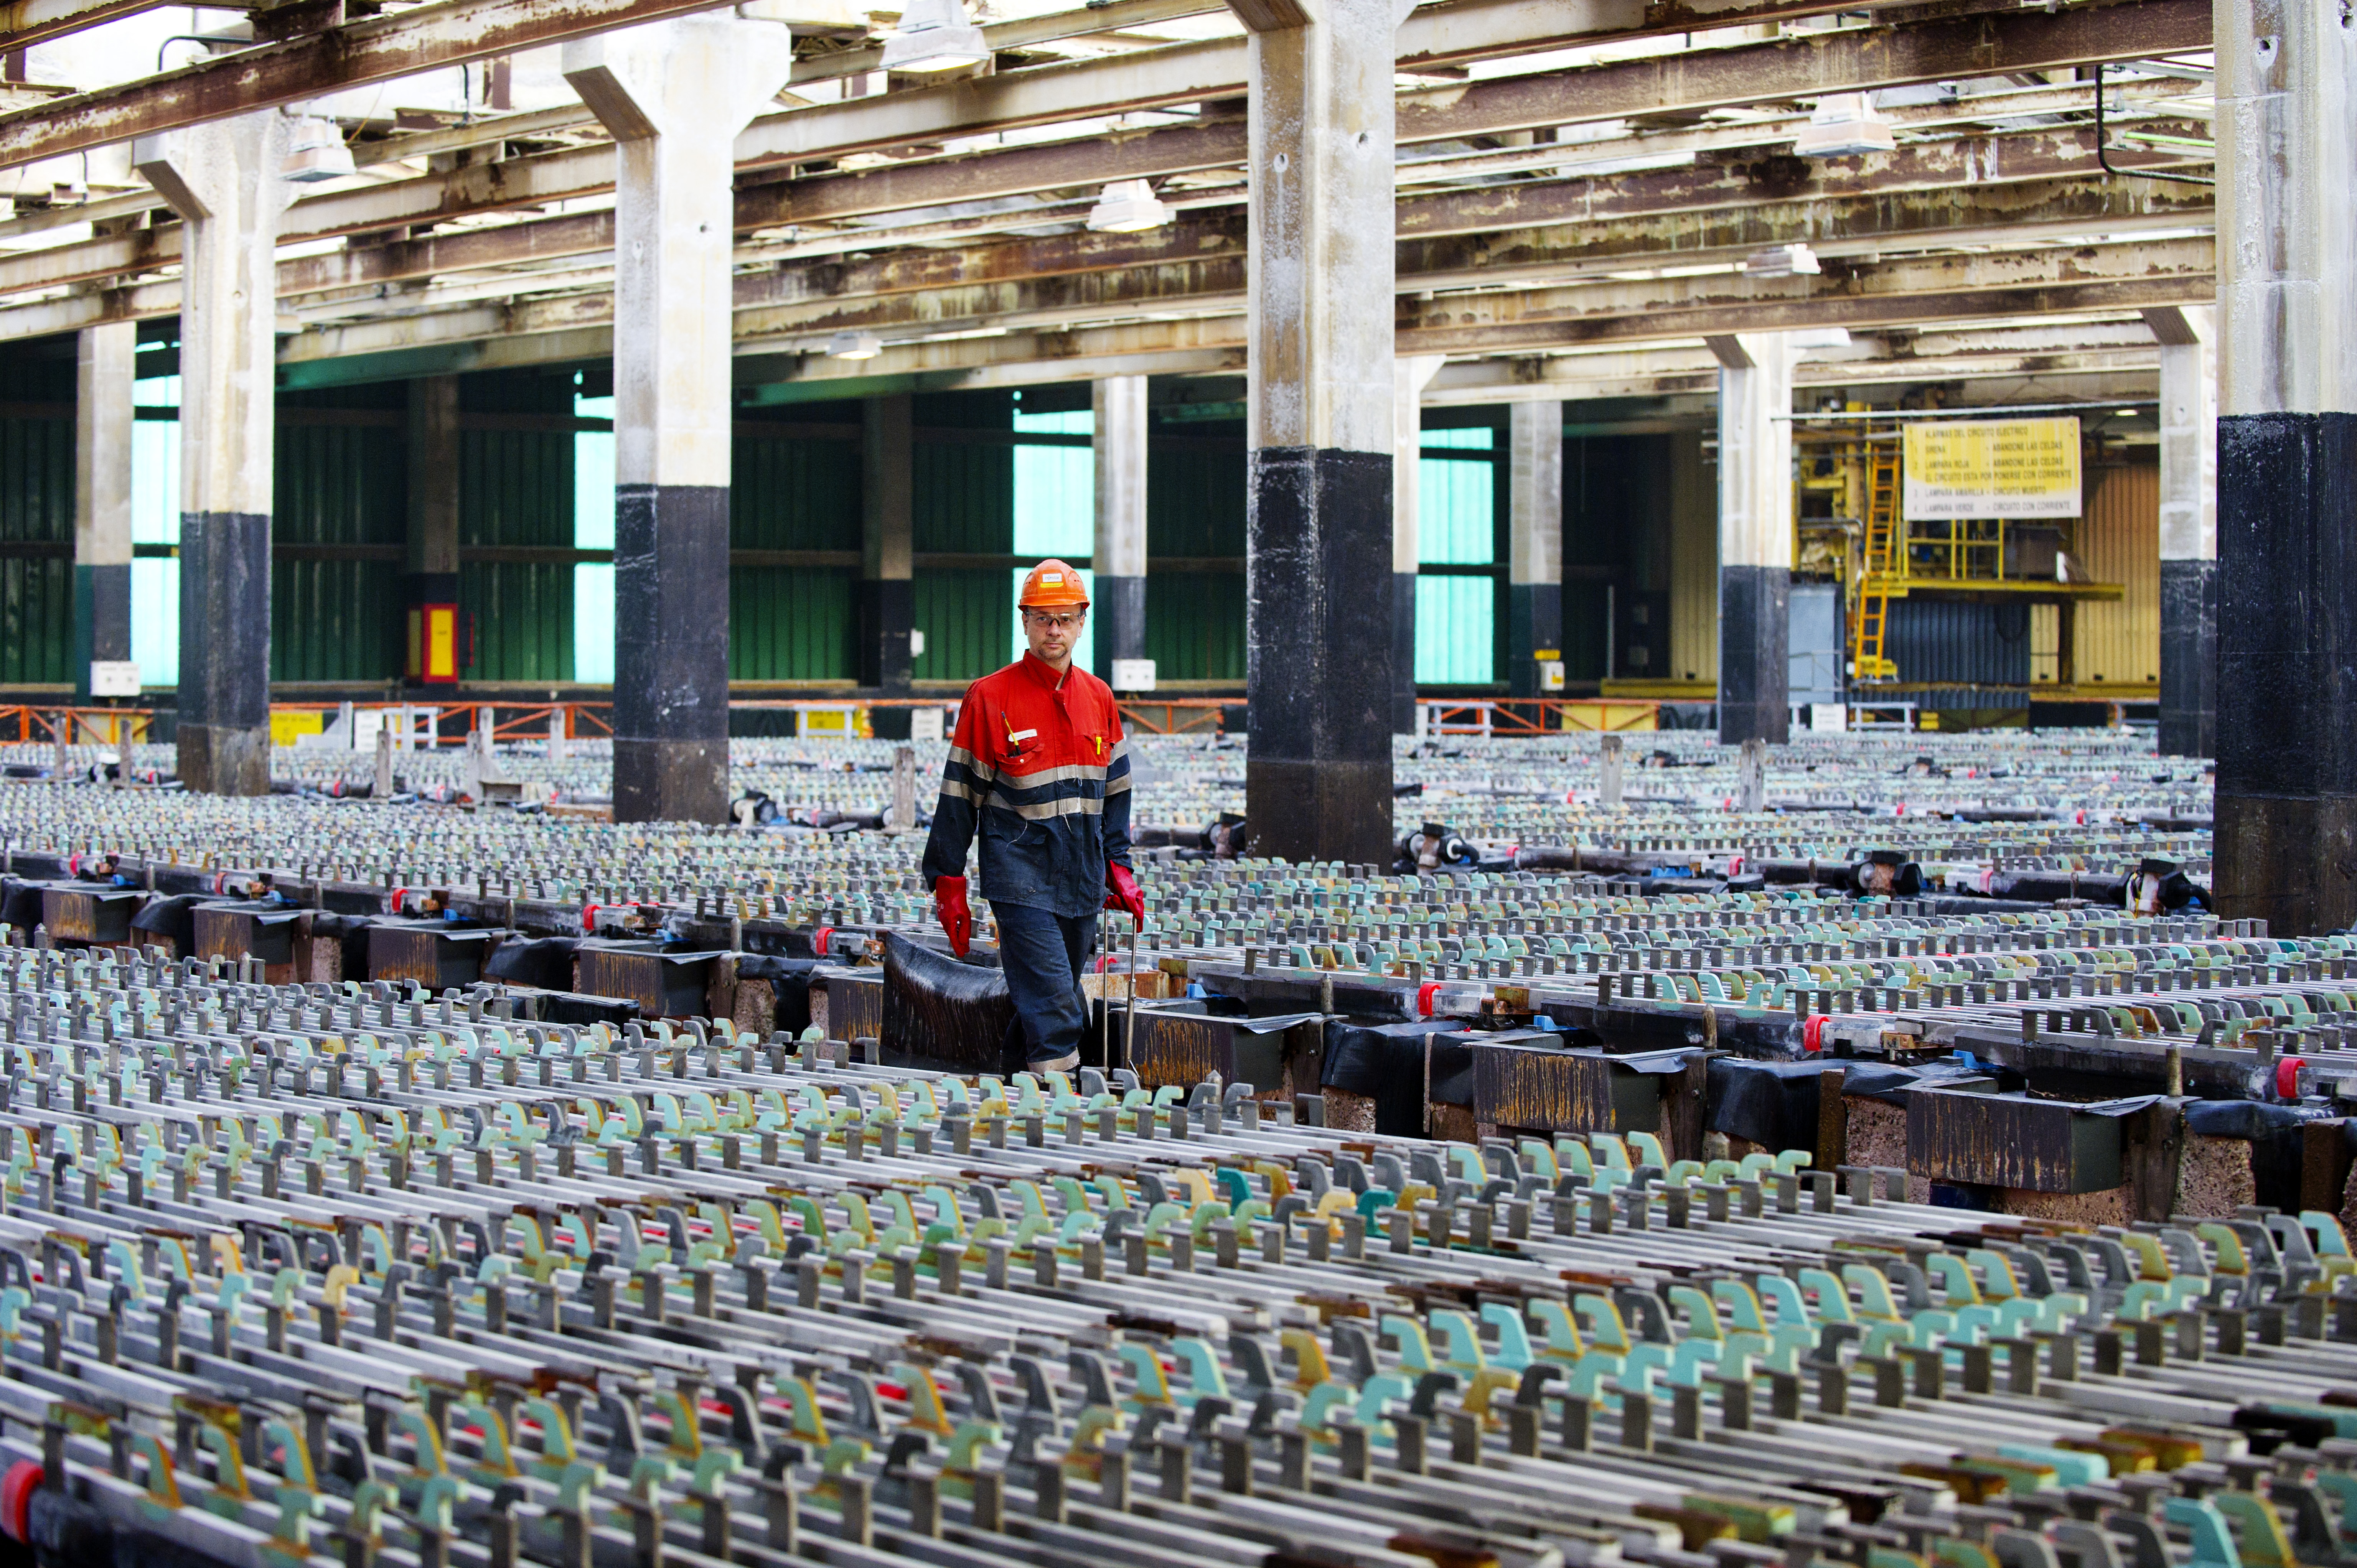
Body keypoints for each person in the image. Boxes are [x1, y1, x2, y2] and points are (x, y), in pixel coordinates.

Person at [920, 560, 1145, 1072]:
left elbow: (1117, 790)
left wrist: (1120, 865)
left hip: (1082, 874)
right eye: (1044, 619)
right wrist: (947, 877)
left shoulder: (1099, 698)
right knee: (1052, 1001)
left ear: (1082, 622)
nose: (1055, 630)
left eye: (1065, 618)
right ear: (1024, 622)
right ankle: (1061, 1107)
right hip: (1019, 872)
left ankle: (1011, 1084)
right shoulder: (990, 697)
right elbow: (959, 795)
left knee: (1054, 988)